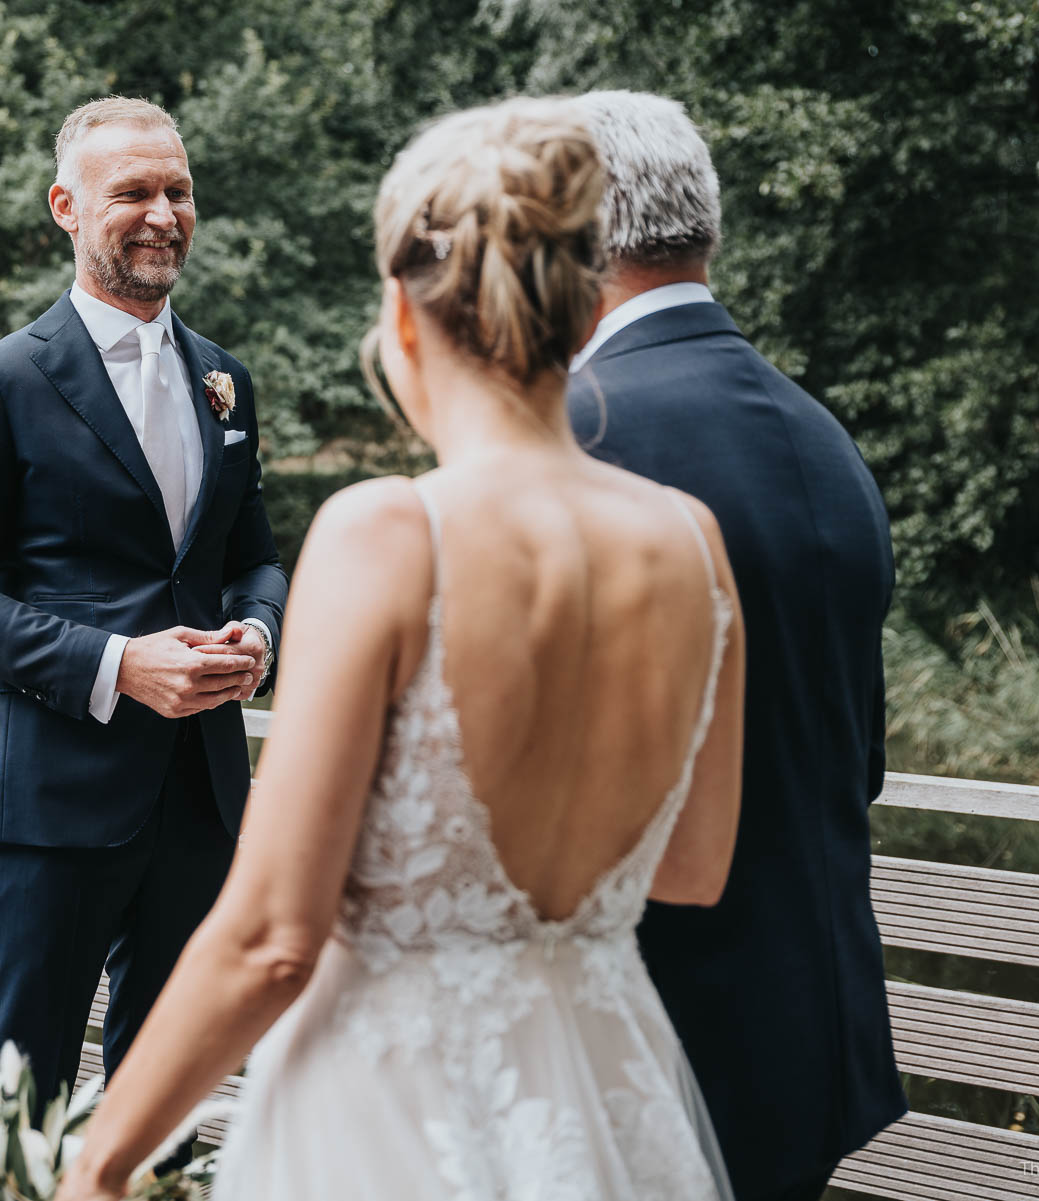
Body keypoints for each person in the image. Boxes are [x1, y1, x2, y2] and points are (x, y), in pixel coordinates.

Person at [55, 96, 746, 1201]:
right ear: (580, 312)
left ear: (406, 315)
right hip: (608, 1095)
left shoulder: (390, 533)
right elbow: (694, 867)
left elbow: (273, 936)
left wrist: (95, 1163)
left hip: (396, 1109)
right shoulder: (692, 544)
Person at [0, 96, 289, 1113]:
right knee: (20, 1101)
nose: (163, 213)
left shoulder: (226, 380)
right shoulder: (1, 381)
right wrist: (120, 665)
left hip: (202, 796)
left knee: (167, 1092)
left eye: (179, 191)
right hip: (55, 803)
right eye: (134, 193)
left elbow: (254, 558)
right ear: (66, 207)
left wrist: (256, 631)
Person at [567, 90, 906, 1201]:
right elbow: (860, 757)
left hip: (650, 1031)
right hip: (812, 1028)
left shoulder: (576, 435)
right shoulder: (823, 436)